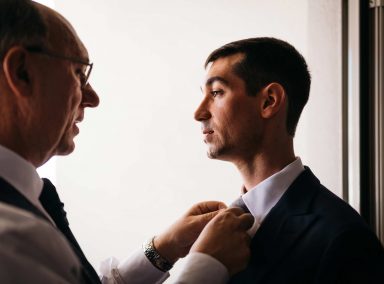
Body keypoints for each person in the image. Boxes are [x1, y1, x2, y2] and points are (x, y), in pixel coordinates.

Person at [0, 1, 254, 283]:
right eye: (78, 73)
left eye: (217, 92)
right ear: (22, 72)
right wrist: (206, 267)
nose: (93, 98)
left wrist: (161, 250)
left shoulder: (30, 204)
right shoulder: (9, 237)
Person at [194, 37, 384, 283]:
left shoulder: (343, 238)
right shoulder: (212, 229)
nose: (198, 113)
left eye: (216, 93)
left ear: (269, 101)